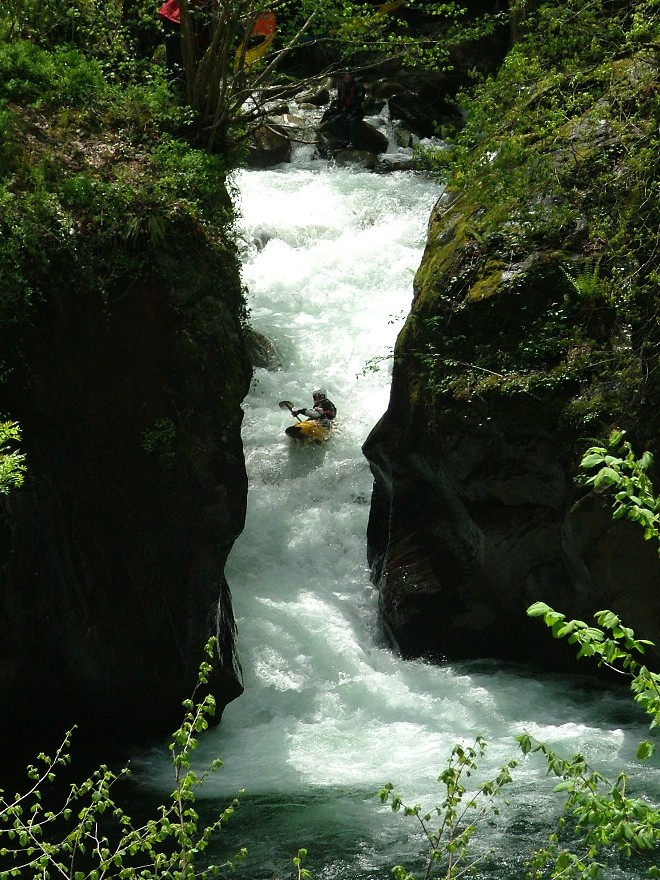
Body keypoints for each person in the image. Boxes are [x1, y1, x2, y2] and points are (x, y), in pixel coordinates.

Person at [332, 71, 366, 149]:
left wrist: (353, 112)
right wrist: (338, 112)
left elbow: (360, 101)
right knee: (335, 121)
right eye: (345, 76)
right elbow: (340, 101)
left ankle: (353, 142)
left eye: (349, 76)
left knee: (352, 121)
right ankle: (343, 139)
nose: (347, 78)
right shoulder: (341, 86)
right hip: (346, 110)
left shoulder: (358, 86)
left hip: (357, 111)